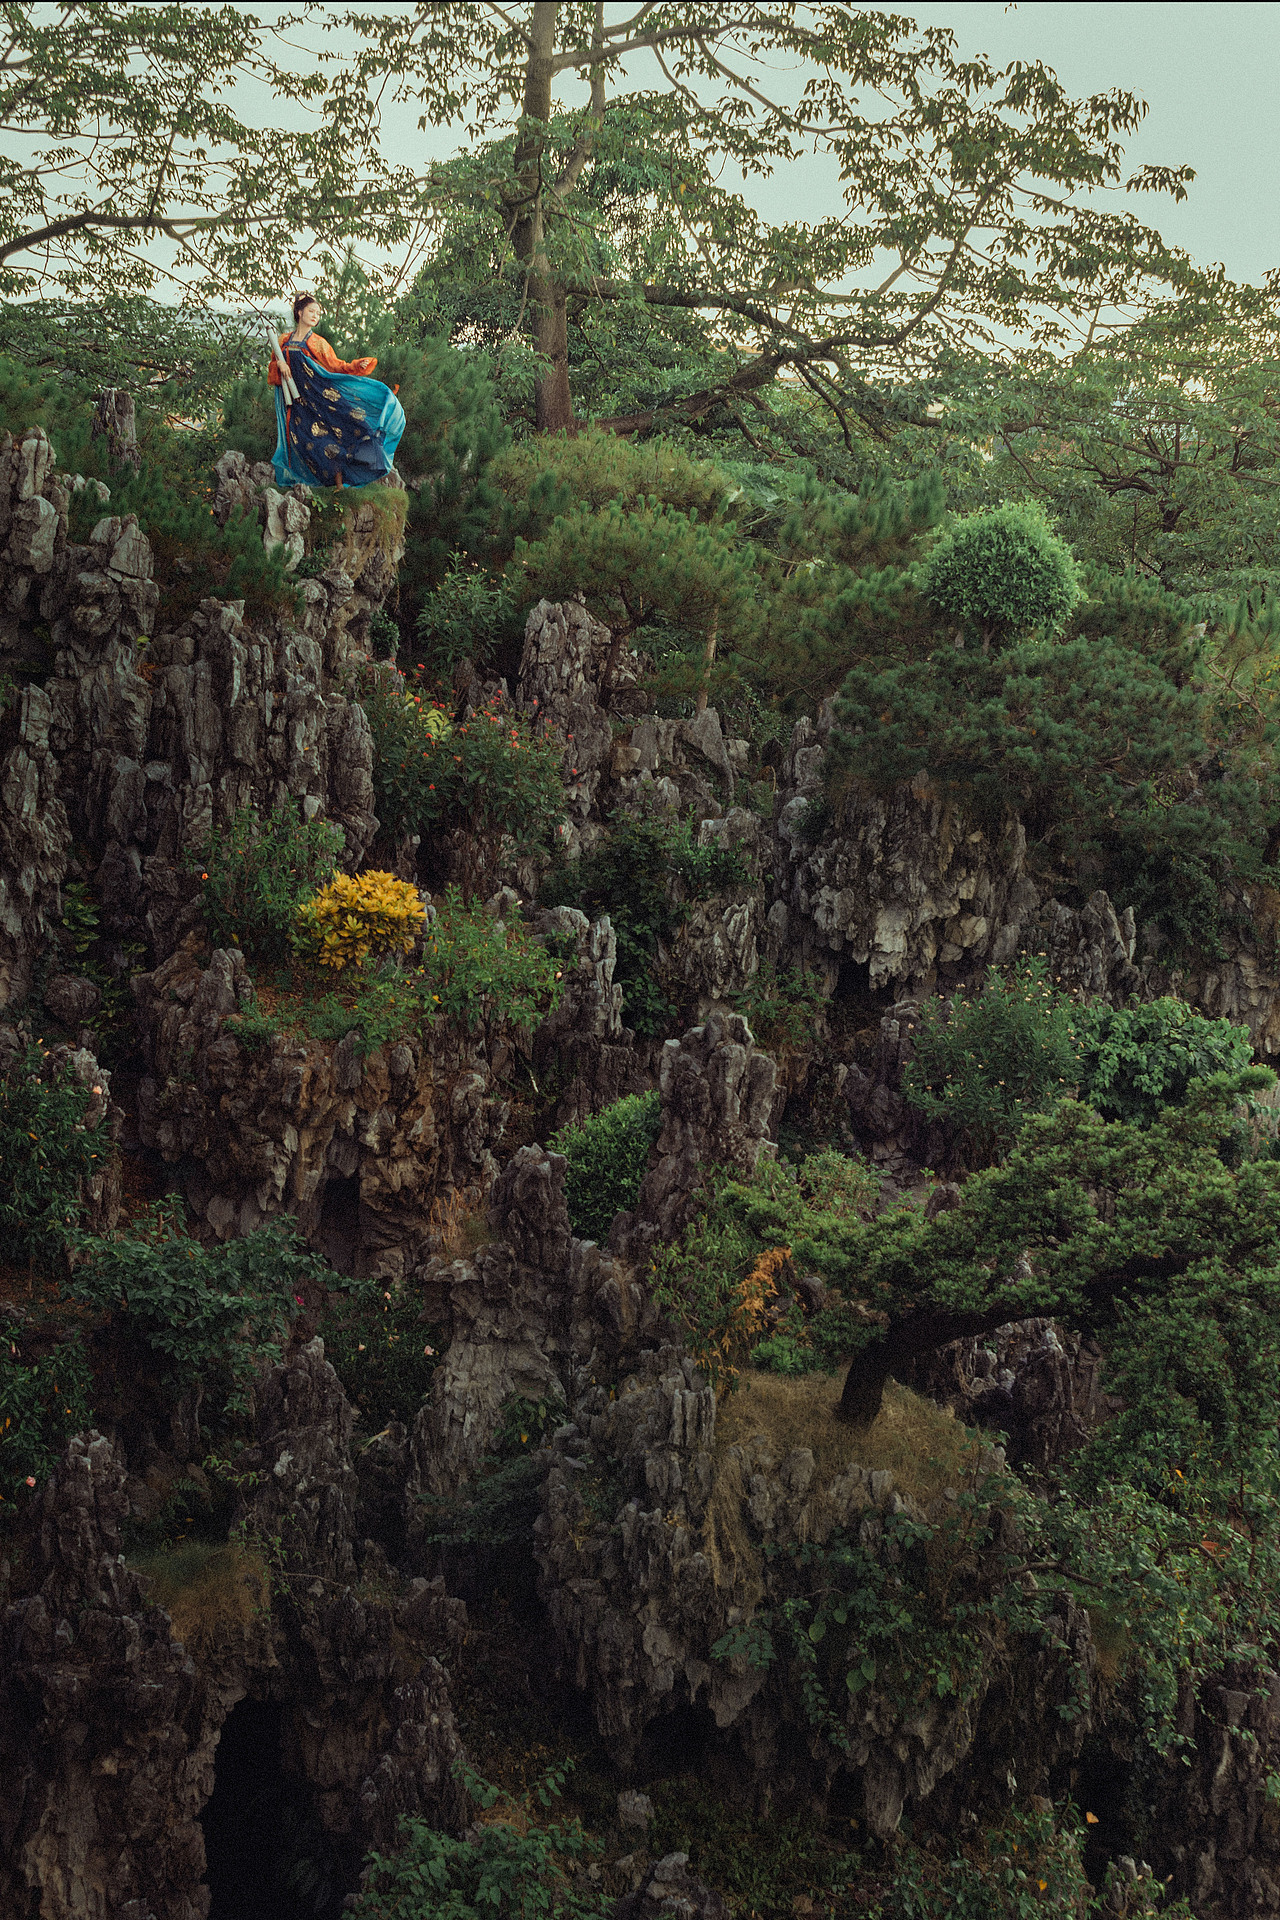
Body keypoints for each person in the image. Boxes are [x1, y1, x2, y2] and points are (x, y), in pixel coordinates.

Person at [267, 291, 406, 490]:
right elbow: (272, 374)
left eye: (318, 313)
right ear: (299, 312)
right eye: (311, 311)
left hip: (321, 397)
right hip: (297, 404)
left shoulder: (318, 343)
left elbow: (336, 366)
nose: (315, 316)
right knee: (310, 441)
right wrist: (279, 364)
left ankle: (342, 484)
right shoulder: (282, 341)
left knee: (345, 431)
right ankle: (320, 483)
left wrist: (358, 365)